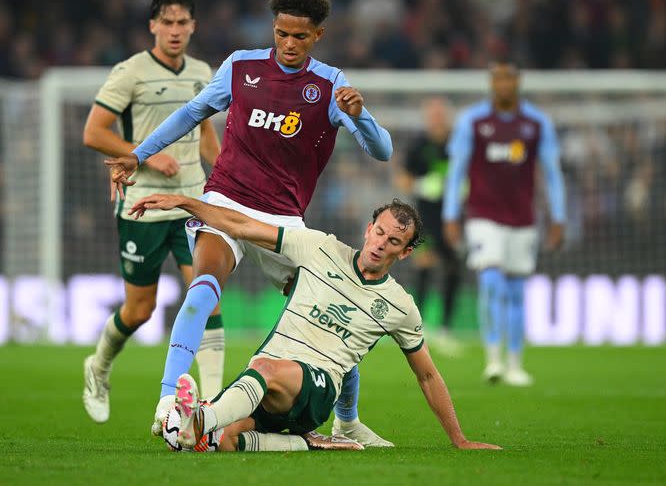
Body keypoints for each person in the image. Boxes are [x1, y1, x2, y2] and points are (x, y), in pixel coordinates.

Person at [106, 0, 394, 445]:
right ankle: (166, 402)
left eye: (300, 36)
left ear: (317, 34)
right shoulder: (241, 66)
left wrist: (361, 117)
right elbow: (191, 112)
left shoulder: (331, 85)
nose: (289, 43)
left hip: (284, 222)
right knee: (202, 290)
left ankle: (347, 419)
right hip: (226, 201)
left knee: (336, 313)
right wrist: (138, 155)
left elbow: (382, 151)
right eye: (281, 33)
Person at [128, 193, 501, 452]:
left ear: (404, 253)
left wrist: (459, 439)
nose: (381, 243)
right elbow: (241, 226)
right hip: (267, 381)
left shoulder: (400, 306)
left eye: (394, 241)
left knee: (258, 373)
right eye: (380, 232)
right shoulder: (318, 247)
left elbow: (428, 375)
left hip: (316, 388)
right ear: (368, 228)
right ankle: (303, 442)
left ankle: (195, 420)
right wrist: (188, 204)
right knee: (223, 441)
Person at [81, 0, 223, 423]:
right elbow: (93, 132)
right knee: (140, 310)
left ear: (194, 26)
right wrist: (142, 153)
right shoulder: (130, 73)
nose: (175, 30)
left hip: (192, 205)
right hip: (141, 206)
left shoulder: (203, 73)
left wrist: (233, 181)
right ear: (153, 26)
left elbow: (208, 140)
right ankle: (98, 365)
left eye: (183, 23)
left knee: (206, 298)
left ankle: (213, 409)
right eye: (168, 22)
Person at [442, 59, 566, 386]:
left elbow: (552, 173)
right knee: (491, 282)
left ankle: (515, 365)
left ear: (518, 81)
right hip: (483, 216)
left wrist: (559, 215)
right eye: (498, 78)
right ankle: (493, 360)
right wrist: (451, 214)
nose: (504, 84)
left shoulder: (537, 123)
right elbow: (457, 171)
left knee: (515, 292)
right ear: (491, 82)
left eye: (509, 78)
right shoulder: (474, 121)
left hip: (523, 218)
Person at [395, 97, 461, 354]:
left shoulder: (458, 144)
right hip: (424, 218)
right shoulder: (418, 145)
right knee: (424, 265)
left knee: (453, 267)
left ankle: (446, 328)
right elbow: (402, 179)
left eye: (440, 114)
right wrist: (423, 186)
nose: (437, 119)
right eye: (432, 115)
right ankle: (417, 329)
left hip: (454, 219)